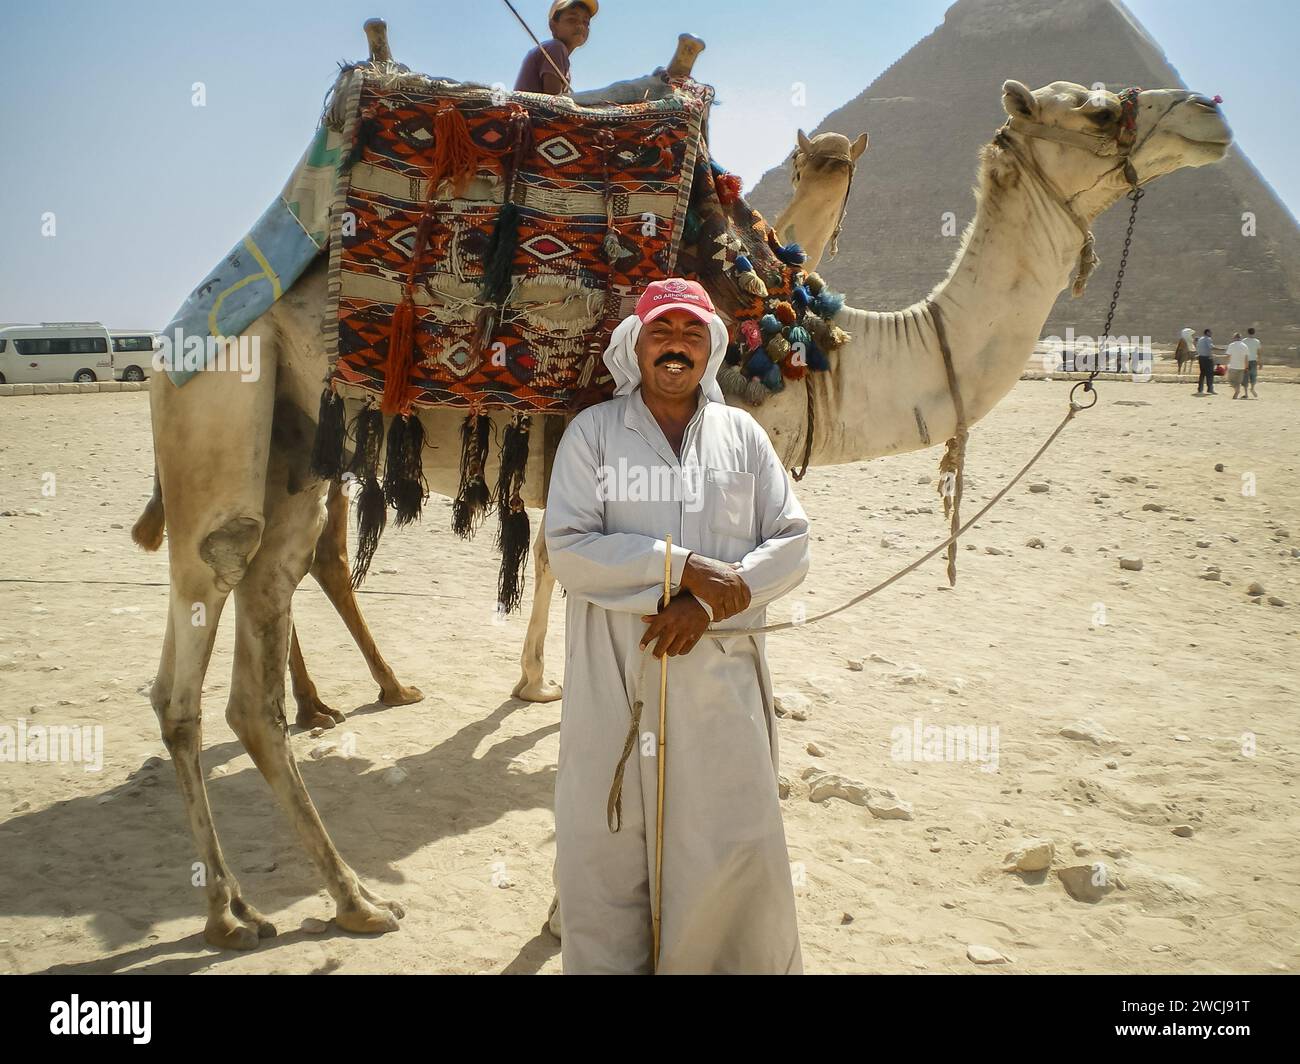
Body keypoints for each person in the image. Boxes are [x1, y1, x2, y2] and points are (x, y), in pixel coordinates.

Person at [545, 278, 810, 974]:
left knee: (727, 844)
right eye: (662, 331)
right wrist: (682, 568)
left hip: (719, 689)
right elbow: (568, 551)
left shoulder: (743, 437)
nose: (676, 346)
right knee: (605, 850)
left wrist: (716, 598)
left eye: (692, 334)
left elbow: (792, 540)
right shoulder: (594, 435)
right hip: (616, 683)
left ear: (710, 348)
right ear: (636, 345)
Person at [513, 0, 595, 96]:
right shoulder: (555, 47)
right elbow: (554, 101)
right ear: (553, 26)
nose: (581, 26)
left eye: (586, 22)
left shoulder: (560, 54)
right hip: (528, 110)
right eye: (572, 20)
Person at [1225, 332, 1249, 399]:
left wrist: (1227, 364)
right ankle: (1236, 392)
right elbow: (1246, 358)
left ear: (1235, 337)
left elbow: (1228, 356)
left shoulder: (1231, 345)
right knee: (1238, 382)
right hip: (1241, 367)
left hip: (1233, 366)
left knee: (1231, 380)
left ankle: (1237, 390)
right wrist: (1246, 367)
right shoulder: (1245, 346)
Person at [1195, 328, 1217, 396]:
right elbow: (1211, 347)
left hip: (1201, 358)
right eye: (1210, 332)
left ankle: (1200, 389)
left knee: (1202, 374)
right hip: (1207, 358)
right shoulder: (1208, 339)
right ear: (1207, 333)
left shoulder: (1200, 339)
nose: (1211, 334)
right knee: (1210, 374)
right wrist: (1222, 349)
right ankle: (1210, 389)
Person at [1242, 327, 1262, 398]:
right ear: (1254, 333)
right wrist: (1260, 362)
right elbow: (1259, 353)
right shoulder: (1257, 341)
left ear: (1247, 332)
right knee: (1253, 376)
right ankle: (1252, 388)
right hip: (1253, 361)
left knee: (1245, 377)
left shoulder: (1243, 341)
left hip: (1245, 361)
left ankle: (1246, 393)